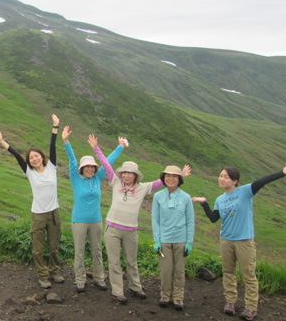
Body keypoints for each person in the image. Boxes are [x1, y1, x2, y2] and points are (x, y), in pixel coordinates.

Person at [192, 164, 286, 321]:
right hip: (226, 241)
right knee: (228, 273)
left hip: (244, 241)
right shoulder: (220, 199)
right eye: (220, 175)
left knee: (248, 275)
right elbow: (213, 218)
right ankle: (230, 302)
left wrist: (283, 173)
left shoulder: (245, 191)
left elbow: (263, 181)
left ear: (235, 181)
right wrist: (204, 203)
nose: (221, 179)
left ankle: (251, 307)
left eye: (226, 177)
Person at [104, 159, 191, 305]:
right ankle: (117, 292)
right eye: (124, 172)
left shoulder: (143, 188)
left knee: (132, 261)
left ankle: (135, 287)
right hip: (112, 228)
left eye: (130, 173)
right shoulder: (116, 182)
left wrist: (181, 174)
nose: (126, 175)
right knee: (114, 263)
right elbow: (106, 165)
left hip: (131, 230)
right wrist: (96, 149)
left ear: (136, 176)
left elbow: (163, 181)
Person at [0, 114, 63, 289]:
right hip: (38, 215)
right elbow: (15, 154)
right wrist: (2, 142)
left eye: (37, 156)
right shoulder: (29, 172)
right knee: (38, 249)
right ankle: (42, 276)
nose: (34, 159)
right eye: (31, 158)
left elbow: (53, 146)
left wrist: (55, 127)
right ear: (29, 161)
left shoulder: (52, 167)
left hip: (54, 213)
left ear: (42, 156)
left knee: (54, 247)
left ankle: (54, 272)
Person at [61, 126, 127, 293]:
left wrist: (120, 147)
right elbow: (72, 159)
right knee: (79, 251)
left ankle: (99, 278)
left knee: (97, 251)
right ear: (82, 168)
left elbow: (108, 162)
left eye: (92, 166)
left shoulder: (98, 177)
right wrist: (66, 142)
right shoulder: (76, 178)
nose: (90, 168)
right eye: (87, 166)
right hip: (79, 222)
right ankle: (80, 279)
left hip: (96, 221)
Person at [151, 165, 195, 311]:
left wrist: (189, 242)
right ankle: (165, 296)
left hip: (181, 240)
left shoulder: (186, 197)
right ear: (163, 178)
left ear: (179, 179)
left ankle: (178, 298)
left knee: (179, 270)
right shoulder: (158, 196)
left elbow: (190, 221)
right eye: (168, 176)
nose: (171, 179)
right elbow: (155, 219)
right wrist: (156, 240)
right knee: (165, 269)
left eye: (174, 176)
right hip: (164, 240)